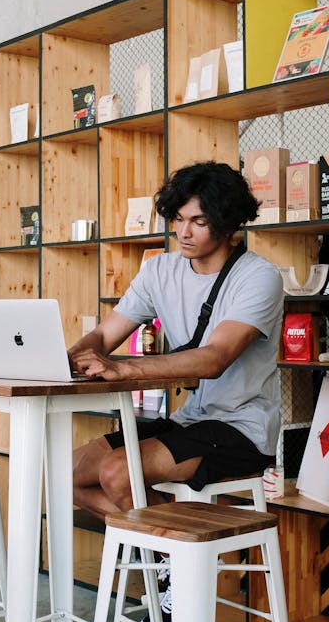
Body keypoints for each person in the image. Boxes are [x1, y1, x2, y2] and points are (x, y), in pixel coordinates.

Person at [70, 161, 284, 523]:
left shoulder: (259, 277)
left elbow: (215, 358)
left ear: (228, 222)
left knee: (116, 472)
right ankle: (168, 555)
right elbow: (105, 335)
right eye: (179, 219)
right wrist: (72, 355)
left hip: (242, 428)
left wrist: (123, 368)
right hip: (189, 420)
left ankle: (173, 567)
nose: (184, 232)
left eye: (198, 222)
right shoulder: (158, 270)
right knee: (71, 473)